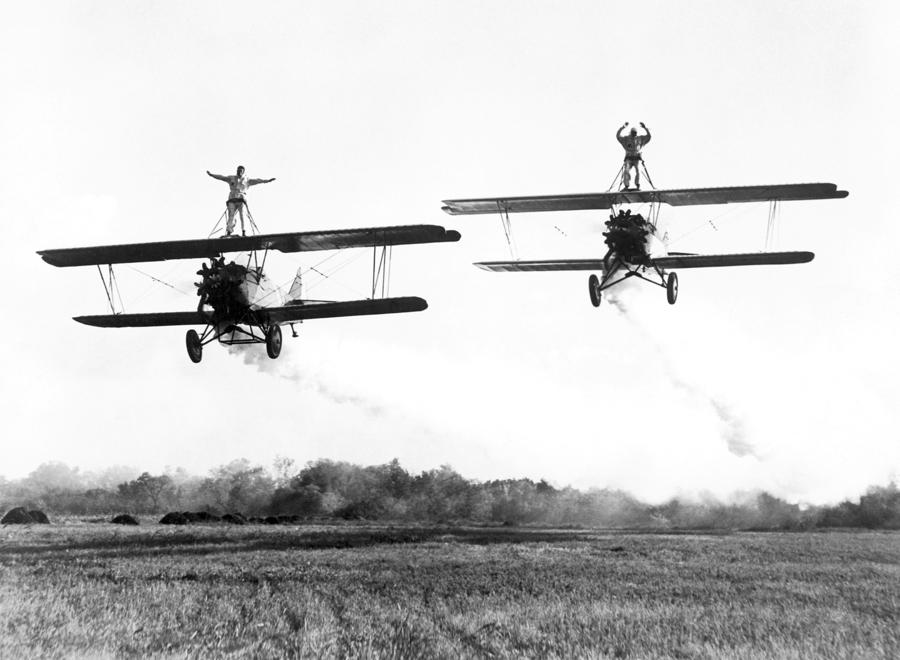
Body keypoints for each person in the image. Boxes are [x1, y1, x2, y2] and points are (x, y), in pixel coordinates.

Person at [206, 166, 276, 236]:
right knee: (231, 215)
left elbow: (258, 180)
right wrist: (211, 175)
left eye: (241, 171)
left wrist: (267, 181)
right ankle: (229, 231)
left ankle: (243, 231)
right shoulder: (231, 178)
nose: (239, 172)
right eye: (238, 170)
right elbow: (221, 177)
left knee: (242, 215)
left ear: (243, 172)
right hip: (232, 199)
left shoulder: (247, 180)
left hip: (241, 200)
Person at [616, 122, 651, 190]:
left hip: (637, 159)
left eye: (635, 133)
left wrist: (645, 128)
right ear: (630, 133)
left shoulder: (640, 138)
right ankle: (626, 185)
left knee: (638, 171)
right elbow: (618, 136)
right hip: (629, 158)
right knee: (626, 171)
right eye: (633, 133)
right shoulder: (626, 139)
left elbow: (649, 137)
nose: (634, 134)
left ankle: (637, 185)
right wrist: (622, 127)